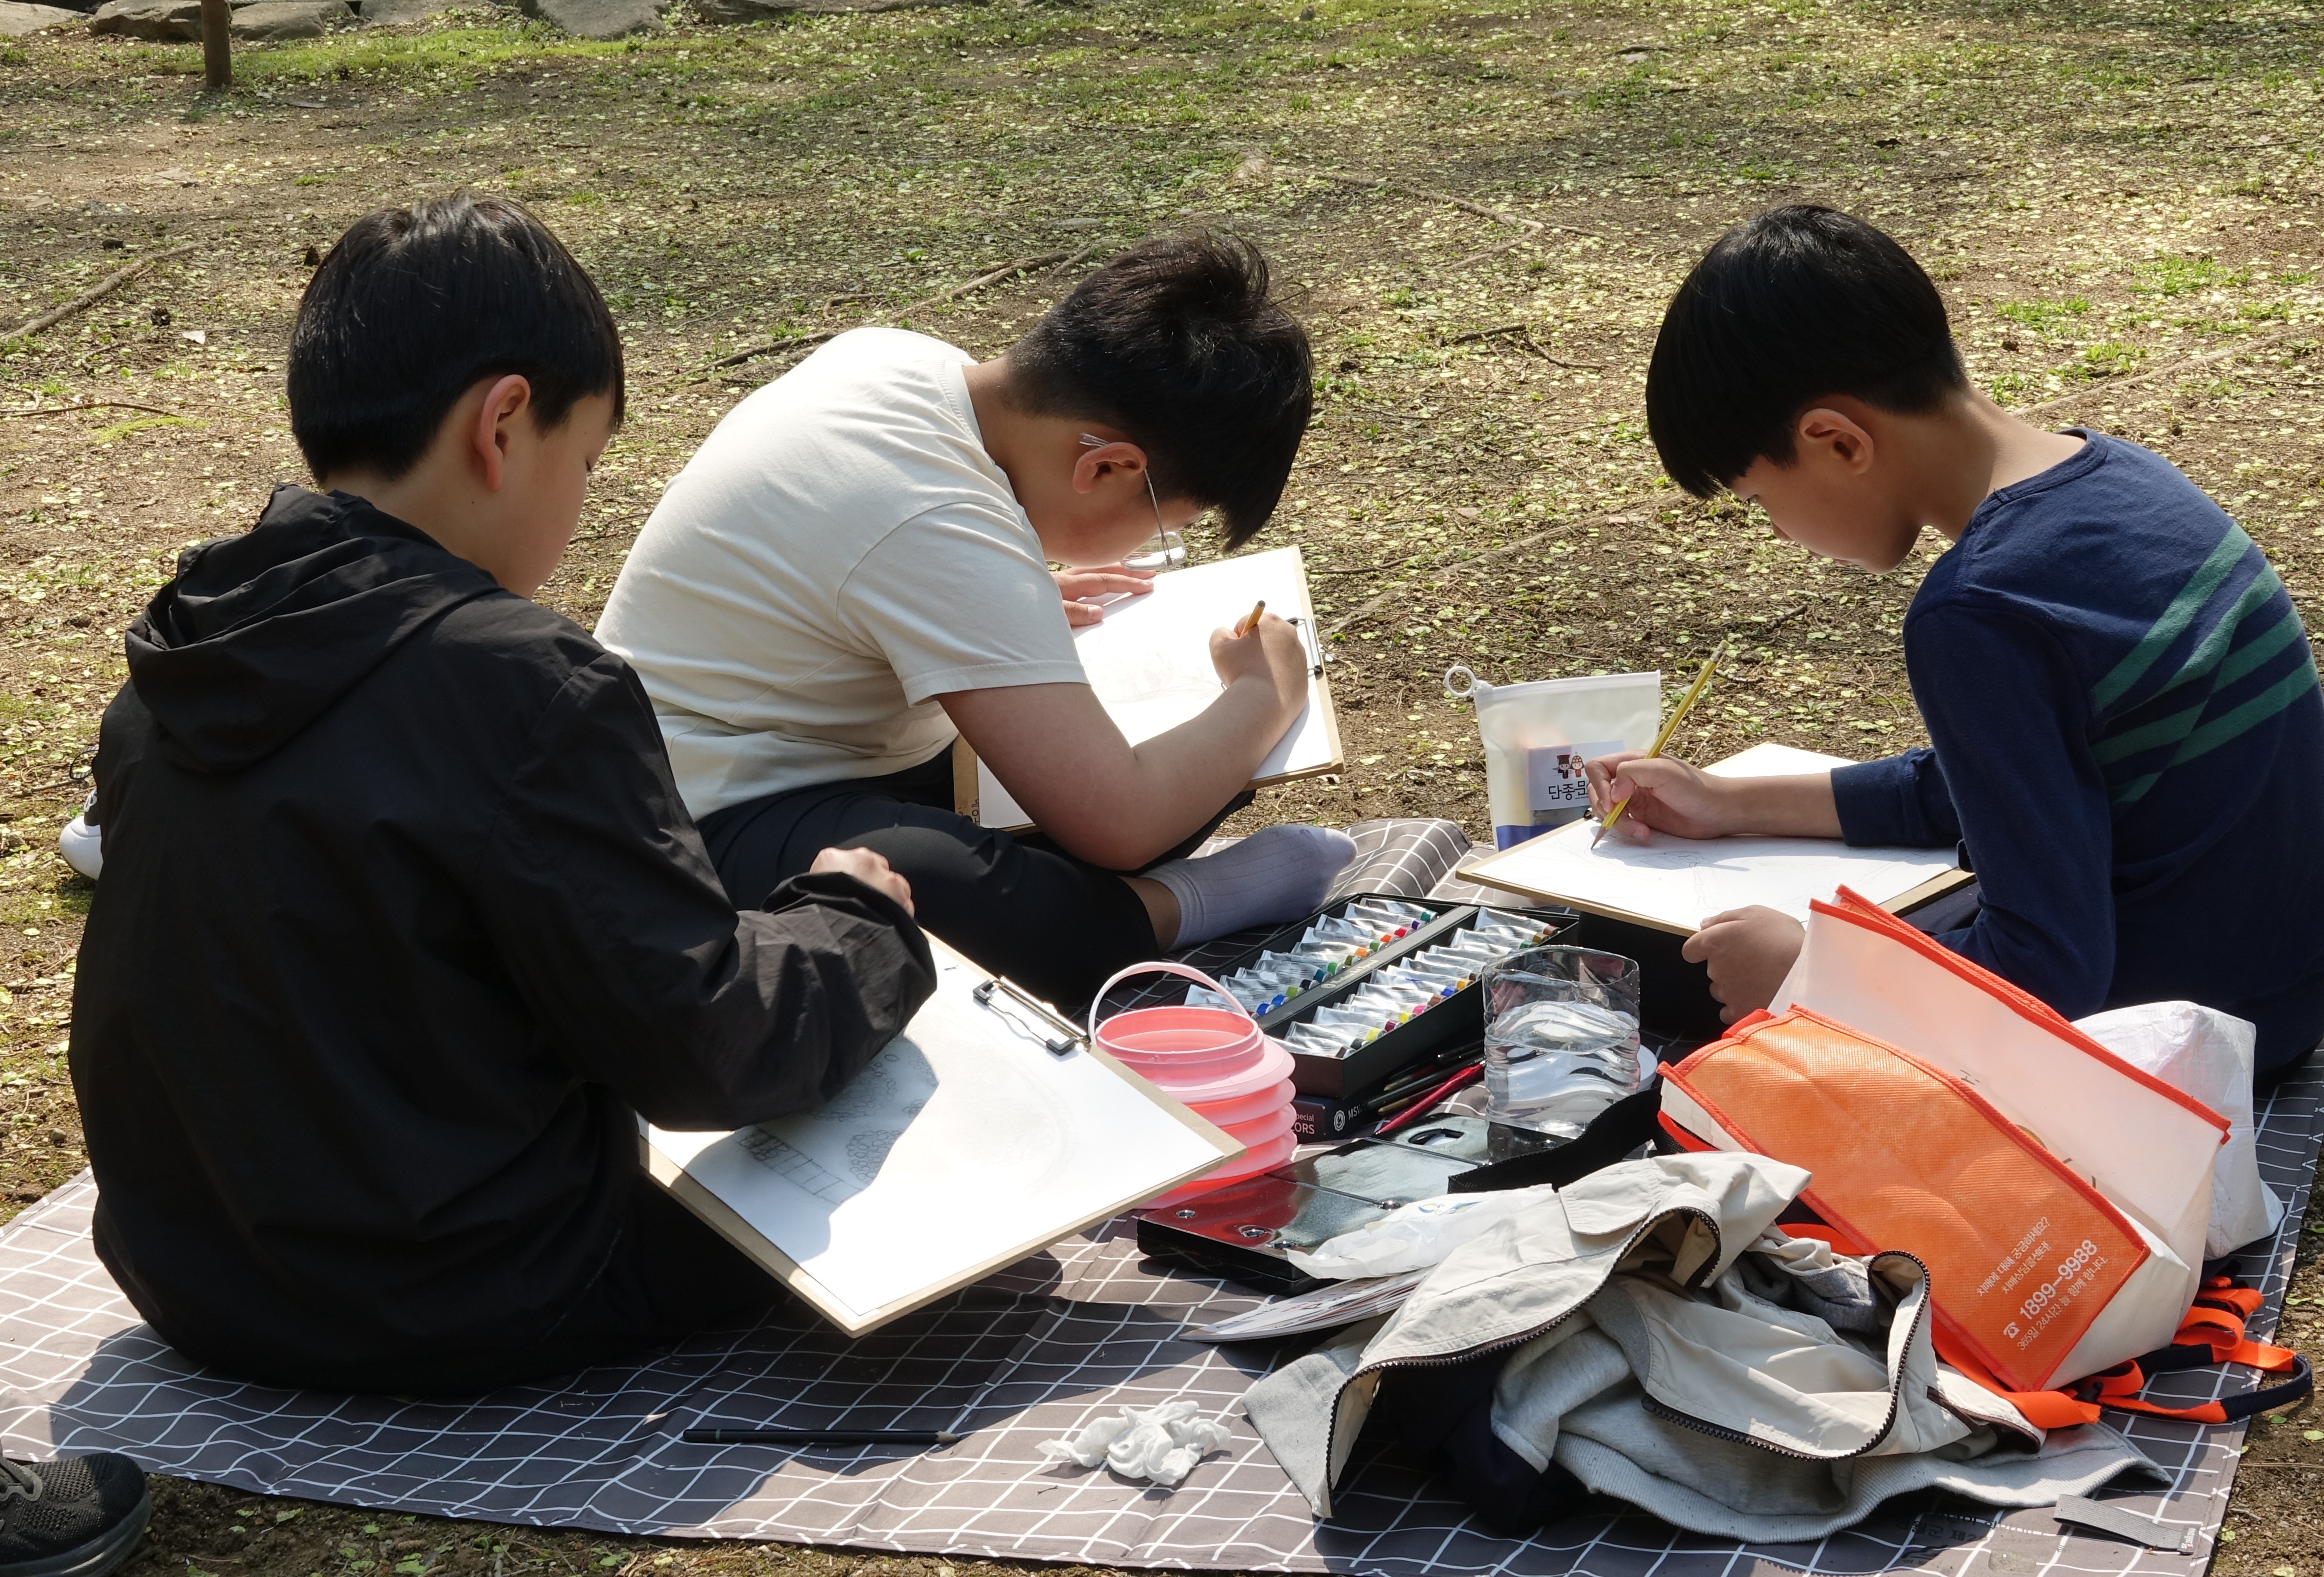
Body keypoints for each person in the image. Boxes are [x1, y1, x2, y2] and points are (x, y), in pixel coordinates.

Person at [69, 194, 936, 1396]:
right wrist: (858, 924)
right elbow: (702, 1048)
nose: (580, 502)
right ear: (504, 424)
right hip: (472, 1297)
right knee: (906, 1162)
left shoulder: (187, 647)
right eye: (585, 461)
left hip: (193, 1279)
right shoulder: (523, 685)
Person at [1588, 204, 2324, 1086]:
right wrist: (1727, 802)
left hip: (2171, 1058)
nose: (1778, 532)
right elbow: (2004, 784)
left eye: (1759, 501)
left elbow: (2047, 970)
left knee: (1685, 1052)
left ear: (1837, 441)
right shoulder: (2124, 480)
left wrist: (1811, 975)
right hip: (2279, 999)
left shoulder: (1980, 608)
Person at [595, 235, 1353, 1009]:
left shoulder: (900, 361)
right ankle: (1170, 906)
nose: (1148, 548)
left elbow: (871, 561)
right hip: (696, 817)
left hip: (837, 752)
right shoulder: (932, 515)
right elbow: (1120, 823)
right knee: (932, 883)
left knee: (1199, 773)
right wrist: (1264, 694)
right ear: (1105, 467)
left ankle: (1108, 893)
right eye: (1164, 525)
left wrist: (1003, 599)